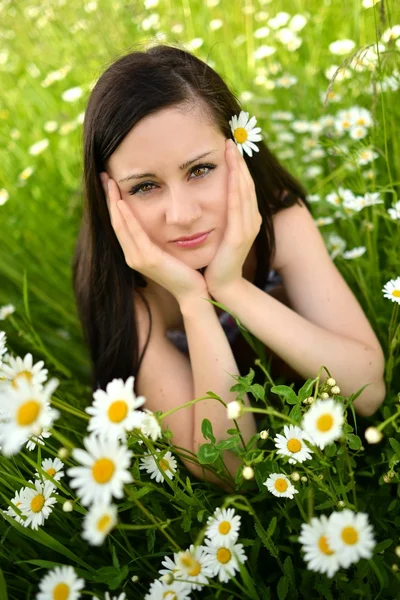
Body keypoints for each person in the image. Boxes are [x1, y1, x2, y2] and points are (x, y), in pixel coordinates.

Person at [73, 44, 386, 490]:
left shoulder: (281, 222)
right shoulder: (125, 287)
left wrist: (231, 287)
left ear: (238, 151)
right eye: (145, 186)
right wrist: (192, 301)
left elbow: (369, 392)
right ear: (109, 196)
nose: (181, 214)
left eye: (199, 170)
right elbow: (230, 469)